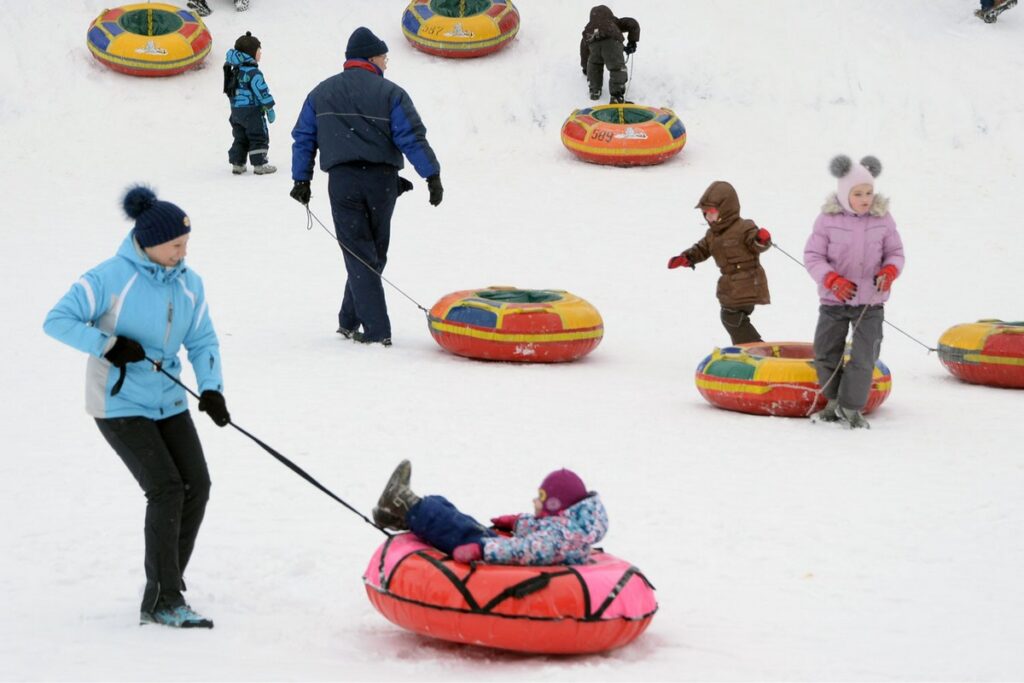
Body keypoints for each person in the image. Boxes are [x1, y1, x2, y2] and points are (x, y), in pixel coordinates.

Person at [43, 186, 231, 628]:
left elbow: (202, 339)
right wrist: (108, 345)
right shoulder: (111, 277)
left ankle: (168, 584)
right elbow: (57, 320)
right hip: (119, 402)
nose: (183, 253)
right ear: (149, 242)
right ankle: (162, 600)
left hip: (168, 399)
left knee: (197, 485)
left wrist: (212, 389)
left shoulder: (189, 283)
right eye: (175, 245)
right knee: (166, 488)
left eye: (186, 243)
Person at [290, 27, 442, 346]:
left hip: (343, 182)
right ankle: (376, 331)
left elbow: (304, 137)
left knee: (360, 253)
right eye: (384, 57)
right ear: (371, 58)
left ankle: (349, 320)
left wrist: (302, 179)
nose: (386, 63)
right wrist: (431, 175)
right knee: (370, 253)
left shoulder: (321, 93)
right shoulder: (390, 93)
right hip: (381, 183)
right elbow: (411, 137)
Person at [803, 155, 905, 429]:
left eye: (869, 192)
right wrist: (831, 279)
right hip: (833, 300)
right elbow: (813, 256)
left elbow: (895, 253)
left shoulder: (883, 219)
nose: (865, 199)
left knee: (864, 356)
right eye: (858, 193)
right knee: (826, 352)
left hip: (870, 303)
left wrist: (890, 271)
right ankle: (833, 400)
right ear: (844, 193)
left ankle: (850, 407)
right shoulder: (827, 219)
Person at [372, 461, 608, 566]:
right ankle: (403, 513)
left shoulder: (558, 538)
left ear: (556, 505)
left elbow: (526, 550)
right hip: (505, 553)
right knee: (457, 517)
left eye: (542, 497)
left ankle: (404, 502)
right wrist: (519, 523)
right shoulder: (568, 529)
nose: (535, 501)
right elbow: (543, 531)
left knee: (459, 530)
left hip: (502, 561)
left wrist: (483, 550)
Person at [667, 181, 773, 345]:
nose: (708, 217)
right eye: (705, 213)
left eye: (712, 212)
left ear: (726, 209)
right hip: (731, 286)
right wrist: (687, 257)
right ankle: (746, 347)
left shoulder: (744, 227)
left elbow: (755, 244)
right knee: (732, 317)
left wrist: (761, 240)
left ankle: (754, 348)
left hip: (749, 282)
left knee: (731, 316)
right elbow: (702, 249)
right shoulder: (712, 234)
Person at [224, 32, 276, 175]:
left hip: (236, 113)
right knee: (258, 136)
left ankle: (237, 164)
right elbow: (262, 92)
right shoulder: (253, 73)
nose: (260, 53)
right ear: (251, 53)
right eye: (259, 50)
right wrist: (269, 108)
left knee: (240, 137)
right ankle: (260, 164)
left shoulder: (233, 70)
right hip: (252, 112)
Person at [580, 5, 640, 104]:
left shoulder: (590, 28)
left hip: (593, 42)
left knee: (594, 65)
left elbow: (584, 50)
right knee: (617, 68)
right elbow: (632, 23)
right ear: (610, 14)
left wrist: (585, 67)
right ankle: (617, 96)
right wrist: (632, 42)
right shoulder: (612, 21)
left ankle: (594, 92)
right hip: (611, 40)